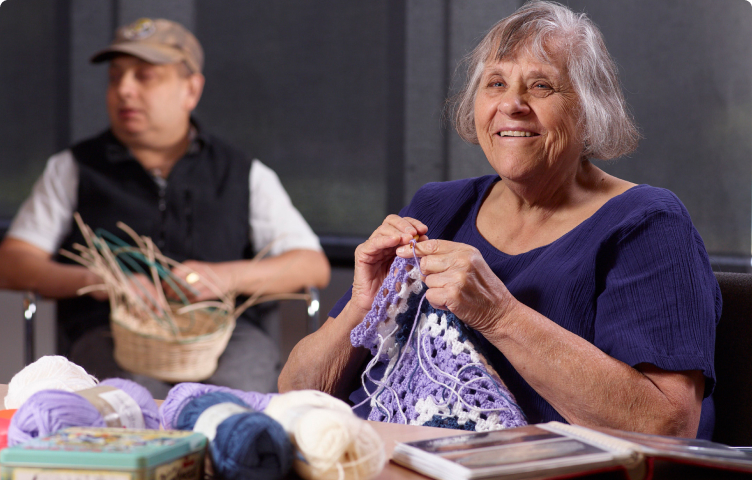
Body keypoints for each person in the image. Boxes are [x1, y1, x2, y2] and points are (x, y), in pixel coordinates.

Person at [279, 1, 720, 440]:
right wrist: (363, 303)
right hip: (375, 456)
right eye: (495, 83)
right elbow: (296, 391)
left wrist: (499, 314)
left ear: (590, 109)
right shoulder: (435, 207)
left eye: (542, 86)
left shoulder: (647, 224)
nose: (512, 104)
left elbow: (667, 425)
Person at [0, 18, 330, 397]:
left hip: (228, 336)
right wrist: (99, 281)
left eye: (145, 76)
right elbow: (12, 264)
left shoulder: (243, 173)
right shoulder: (74, 168)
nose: (124, 90)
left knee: (235, 405)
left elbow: (312, 265)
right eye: (115, 77)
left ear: (190, 90)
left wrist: (226, 277)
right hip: (112, 332)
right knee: (128, 401)